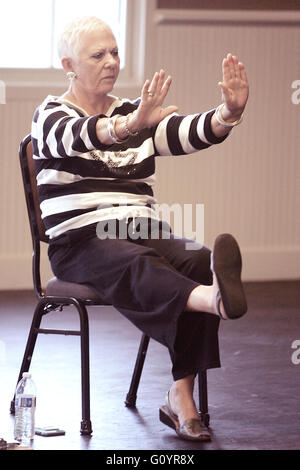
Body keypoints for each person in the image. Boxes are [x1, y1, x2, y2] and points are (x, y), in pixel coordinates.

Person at [31, 16, 249, 442]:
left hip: (137, 225)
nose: (111, 61)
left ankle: (179, 393)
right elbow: (75, 137)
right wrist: (128, 127)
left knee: (196, 258)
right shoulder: (50, 113)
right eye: (98, 55)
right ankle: (212, 299)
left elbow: (185, 132)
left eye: (115, 52)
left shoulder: (134, 111)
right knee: (135, 262)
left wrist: (229, 113)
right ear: (68, 65)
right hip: (80, 239)